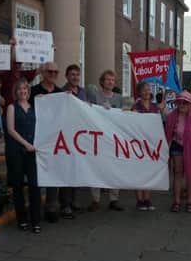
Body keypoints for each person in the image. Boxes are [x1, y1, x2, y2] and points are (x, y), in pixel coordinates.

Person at [29, 62, 65, 222]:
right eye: (49, 71)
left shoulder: (60, 93)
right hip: (36, 138)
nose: (52, 74)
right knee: (36, 173)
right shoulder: (33, 91)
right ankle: (35, 207)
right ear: (42, 73)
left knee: (53, 172)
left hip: (55, 139)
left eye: (55, 72)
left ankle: (52, 206)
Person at [5, 78, 41, 233]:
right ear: (16, 91)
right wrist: (26, 144)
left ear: (28, 91)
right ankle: (22, 219)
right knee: (18, 185)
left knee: (34, 185)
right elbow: (11, 130)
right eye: (19, 89)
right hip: (16, 150)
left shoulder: (33, 107)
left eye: (25, 89)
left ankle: (36, 221)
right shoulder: (11, 107)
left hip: (32, 151)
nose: (22, 92)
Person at [87, 70, 124, 211]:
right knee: (95, 167)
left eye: (112, 80)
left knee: (114, 168)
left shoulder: (119, 98)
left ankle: (114, 199)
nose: (110, 82)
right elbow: (89, 112)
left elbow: (122, 116)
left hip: (113, 138)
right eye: (107, 79)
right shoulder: (95, 95)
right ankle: (95, 199)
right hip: (97, 138)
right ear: (102, 82)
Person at [165, 91, 191, 212]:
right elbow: (167, 134)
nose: (182, 105)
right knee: (178, 173)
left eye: (185, 103)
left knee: (190, 175)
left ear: (190, 104)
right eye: (180, 102)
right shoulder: (172, 116)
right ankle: (176, 201)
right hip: (177, 145)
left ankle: (190, 201)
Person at [131, 82, 161, 211]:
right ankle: (139, 200)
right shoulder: (135, 106)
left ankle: (147, 199)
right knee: (138, 171)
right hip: (138, 143)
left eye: (148, 89)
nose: (147, 92)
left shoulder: (155, 107)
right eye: (144, 90)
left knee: (149, 172)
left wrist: (163, 109)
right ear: (139, 92)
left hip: (151, 143)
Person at [61, 64, 87, 212]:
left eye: (77, 74)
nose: (75, 77)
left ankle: (74, 200)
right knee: (67, 170)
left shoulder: (83, 92)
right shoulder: (62, 92)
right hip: (66, 136)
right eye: (72, 74)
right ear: (67, 76)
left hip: (80, 136)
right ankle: (65, 203)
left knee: (76, 169)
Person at [0, 37, 38, 107]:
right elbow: (6, 62)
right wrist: (11, 48)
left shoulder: (24, 74)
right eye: (15, 63)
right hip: (8, 109)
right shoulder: (7, 73)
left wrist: (50, 52)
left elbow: (41, 69)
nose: (17, 65)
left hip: (22, 109)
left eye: (19, 63)